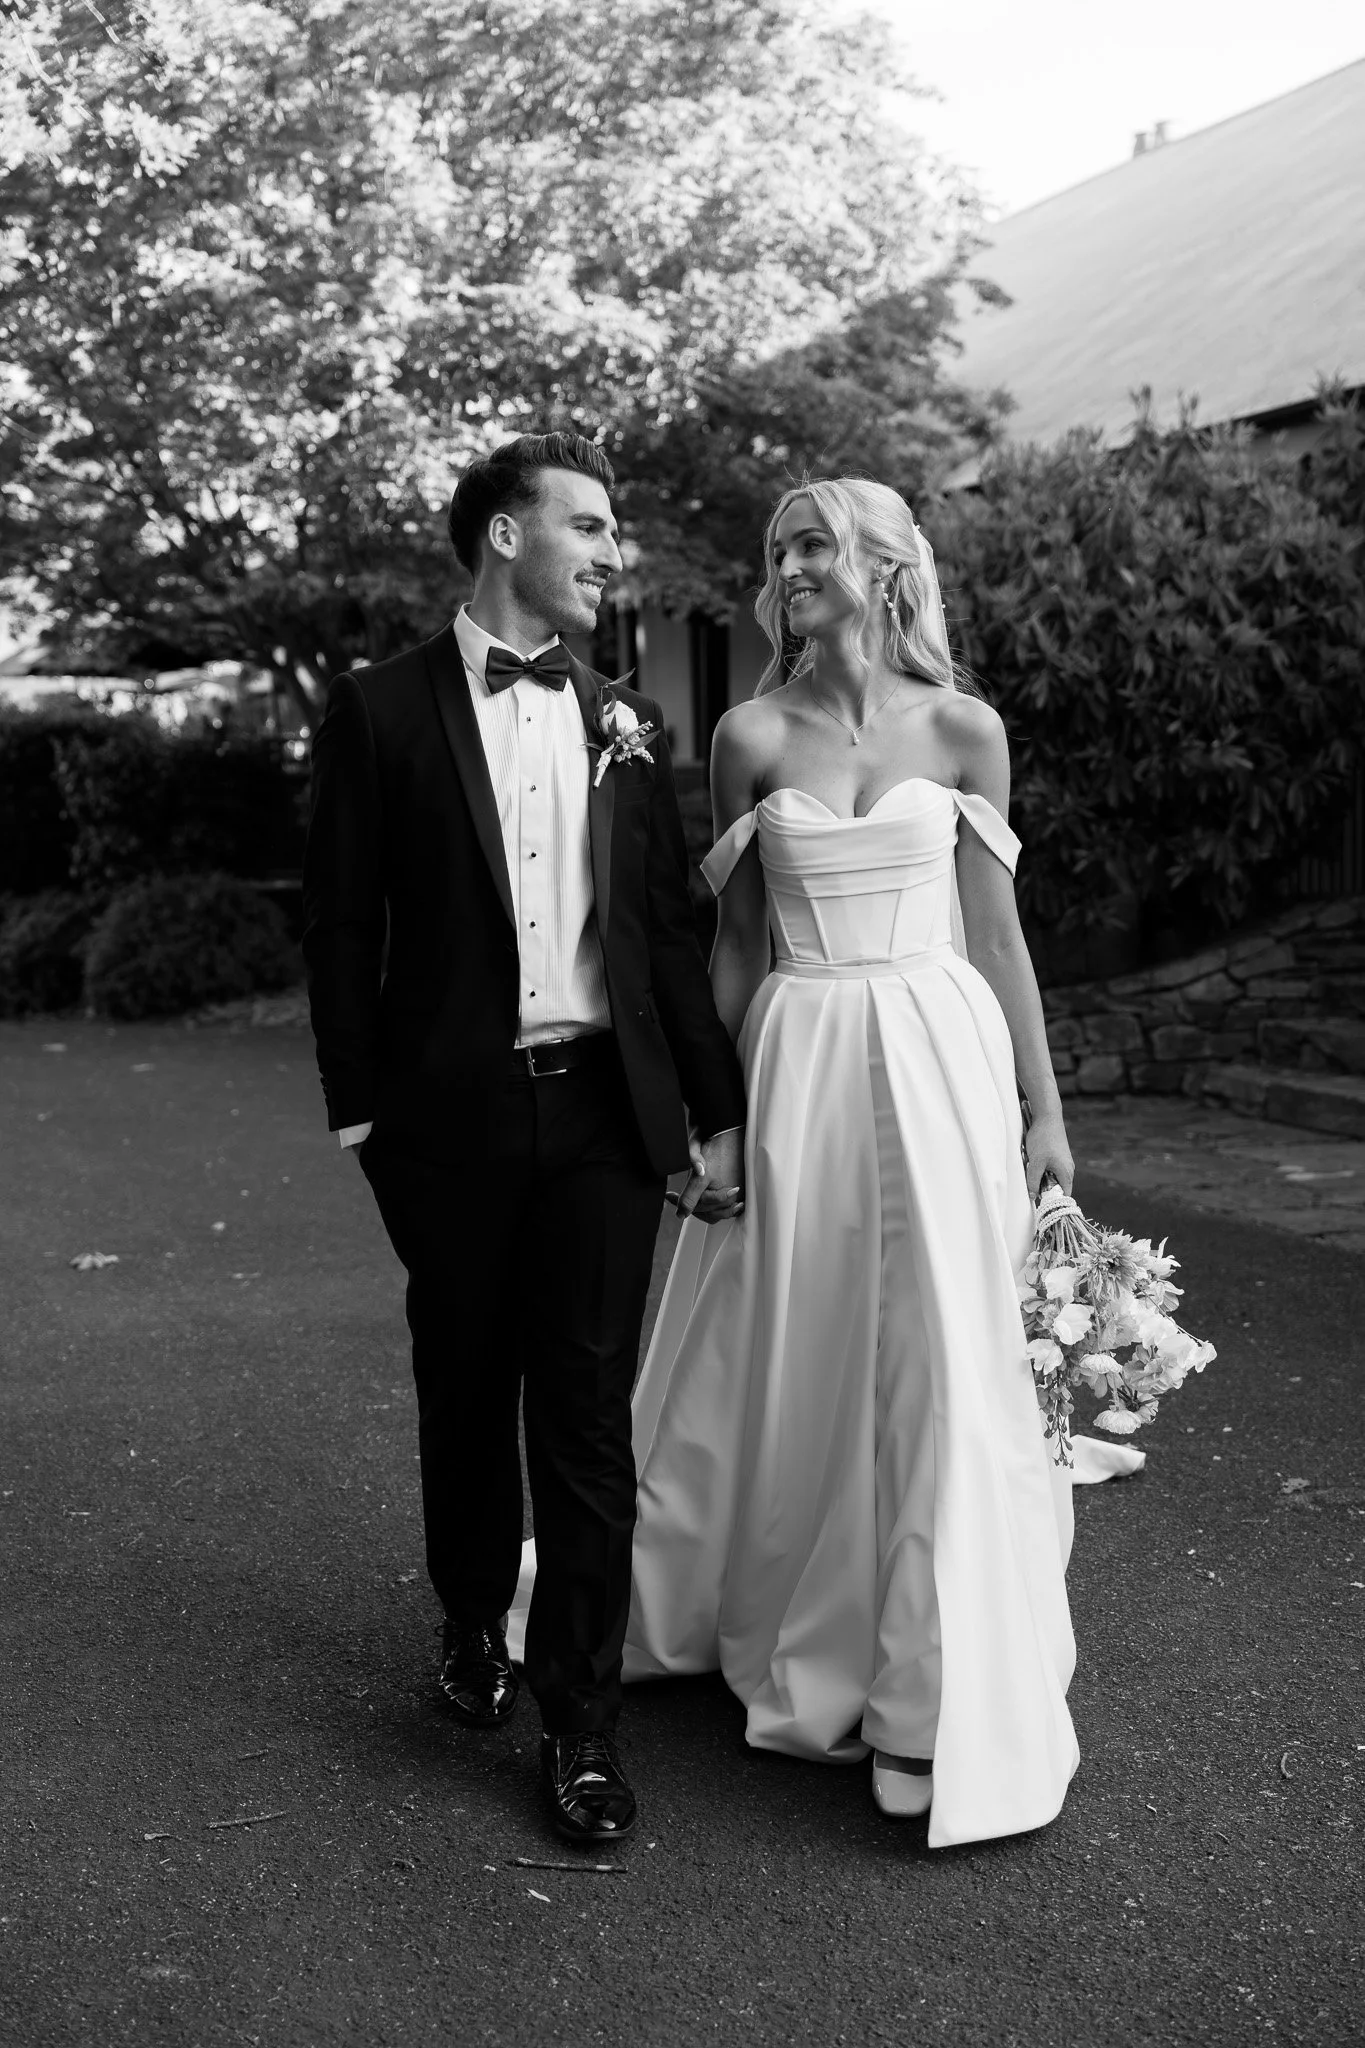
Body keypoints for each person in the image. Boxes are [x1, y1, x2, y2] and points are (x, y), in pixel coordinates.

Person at [599, 475, 1139, 1849]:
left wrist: (1045, 1109)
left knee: (945, 1361)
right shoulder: (745, 736)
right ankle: (805, 1640)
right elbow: (732, 947)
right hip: (801, 1065)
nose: (790, 567)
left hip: (946, 1060)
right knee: (810, 1344)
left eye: (816, 544)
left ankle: (924, 1693)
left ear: (889, 567)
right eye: (778, 548)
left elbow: (1000, 937)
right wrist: (707, 1121)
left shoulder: (964, 730)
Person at [301, 432, 746, 1846]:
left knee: (586, 1418)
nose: (617, 554)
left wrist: (714, 1113)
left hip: (605, 1117)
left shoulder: (629, 724)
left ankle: (583, 1719)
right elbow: (337, 919)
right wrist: (363, 1108)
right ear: (507, 535)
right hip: (448, 1120)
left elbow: (667, 939)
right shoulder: (377, 712)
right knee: (462, 1385)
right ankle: (469, 1613)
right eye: (594, 527)